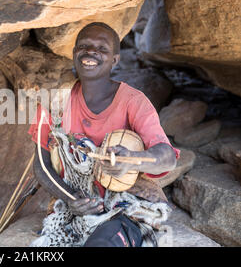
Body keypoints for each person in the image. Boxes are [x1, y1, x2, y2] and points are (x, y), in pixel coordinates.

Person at [28, 22, 180, 247]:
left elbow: (167, 157)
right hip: (75, 206)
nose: (91, 51)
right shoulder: (53, 102)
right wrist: (70, 198)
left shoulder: (133, 101)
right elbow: (41, 165)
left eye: (102, 48)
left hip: (126, 204)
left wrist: (131, 161)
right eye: (84, 45)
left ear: (115, 60)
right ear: (74, 53)